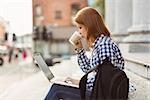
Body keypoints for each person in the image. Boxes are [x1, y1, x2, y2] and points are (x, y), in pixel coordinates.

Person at [45, 7, 125, 100]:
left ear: (90, 25)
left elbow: (104, 80)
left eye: (80, 27)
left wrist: (79, 82)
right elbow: (88, 69)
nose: (79, 31)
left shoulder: (104, 45)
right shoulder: (99, 44)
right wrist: (79, 49)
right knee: (58, 87)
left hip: (103, 94)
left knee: (57, 89)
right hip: (98, 91)